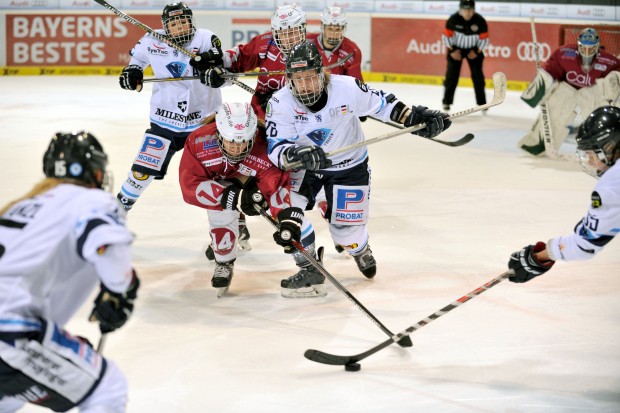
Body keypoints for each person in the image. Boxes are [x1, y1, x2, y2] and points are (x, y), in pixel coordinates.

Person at [265, 41, 451, 298]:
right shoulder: (280, 102)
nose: (305, 85)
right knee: (285, 212)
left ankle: (359, 248)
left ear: (322, 73)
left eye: (310, 77)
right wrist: (295, 156)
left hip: (348, 167)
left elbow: (383, 105)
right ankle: (309, 268)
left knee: (346, 235)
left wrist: (414, 119)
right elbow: (276, 149)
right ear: (289, 80)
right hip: (306, 170)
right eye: (298, 79)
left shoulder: (347, 88)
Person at [0, 131, 139, 412]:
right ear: (94, 171)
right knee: (107, 387)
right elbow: (108, 249)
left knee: (11, 397)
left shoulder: (20, 207)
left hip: (12, 332)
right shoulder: (91, 200)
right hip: (9, 332)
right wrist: (121, 289)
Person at [178, 102, 303, 297]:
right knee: (222, 211)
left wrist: (285, 218)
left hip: (252, 181)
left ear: (253, 134)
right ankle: (224, 261)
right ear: (219, 133)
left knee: (254, 197)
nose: (237, 149)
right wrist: (228, 196)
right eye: (230, 141)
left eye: (244, 141)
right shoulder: (199, 140)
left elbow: (275, 185)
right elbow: (189, 185)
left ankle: (239, 222)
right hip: (221, 183)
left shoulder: (264, 144)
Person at [115, 2, 225, 214]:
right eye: (174, 24)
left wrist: (212, 67)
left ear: (191, 22)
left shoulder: (205, 38)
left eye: (183, 22)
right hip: (165, 119)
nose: (180, 27)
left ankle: (233, 220)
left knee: (219, 173)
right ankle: (118, 210)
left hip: (204, 121)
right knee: (144, 168)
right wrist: (133, 71)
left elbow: (219, 59)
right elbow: (137, 59)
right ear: (166, 27)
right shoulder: (152, 39)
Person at [508, 106, 620, 283]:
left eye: (591, 154)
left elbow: (585, 245)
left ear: (608, 146)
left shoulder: (613, 183)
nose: (590, 161)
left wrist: (539, 257)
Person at [519, 27, 620, 157]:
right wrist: (541, 85)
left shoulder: (608, 61)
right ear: (578, 45)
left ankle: (602, 149)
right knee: (556, 109)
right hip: (568, 90)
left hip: (592, 93)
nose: (587, 52)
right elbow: (550, 70)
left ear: (597, 47)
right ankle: (538, 143)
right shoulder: (564, 54)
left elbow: (617, 75)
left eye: (591, 48)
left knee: (598, 118)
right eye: (584, 48)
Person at [215, 3, 307, 120]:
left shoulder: (315, 51)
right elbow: (239, 58)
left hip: (299, 121)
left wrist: (283, 100)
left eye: (292, 32)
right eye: (282, 33)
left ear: (303, 29)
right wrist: (217, 62)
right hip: (261, 120)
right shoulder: (266, 42)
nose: (287, 38)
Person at [441, 0, 489, 112]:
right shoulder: (453, 20)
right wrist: (452, 51)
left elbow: (485, 39)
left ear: (473, 10)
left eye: (470, 10)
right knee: (451, 76)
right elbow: (446, 37)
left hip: (474, 49)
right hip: (455, 49)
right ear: (460, 10)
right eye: (465, 10)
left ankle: (482, 104)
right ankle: (446, 102)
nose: (467, 13)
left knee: (478, 77)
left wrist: (476, 52)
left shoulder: (480, 21)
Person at [307, 6, 363, 81]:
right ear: (323, 27)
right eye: (330, 29)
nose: (334, 33)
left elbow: (356, 84)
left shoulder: (352, 51)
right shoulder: (306, 42)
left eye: (338, 29)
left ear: (343, 29)